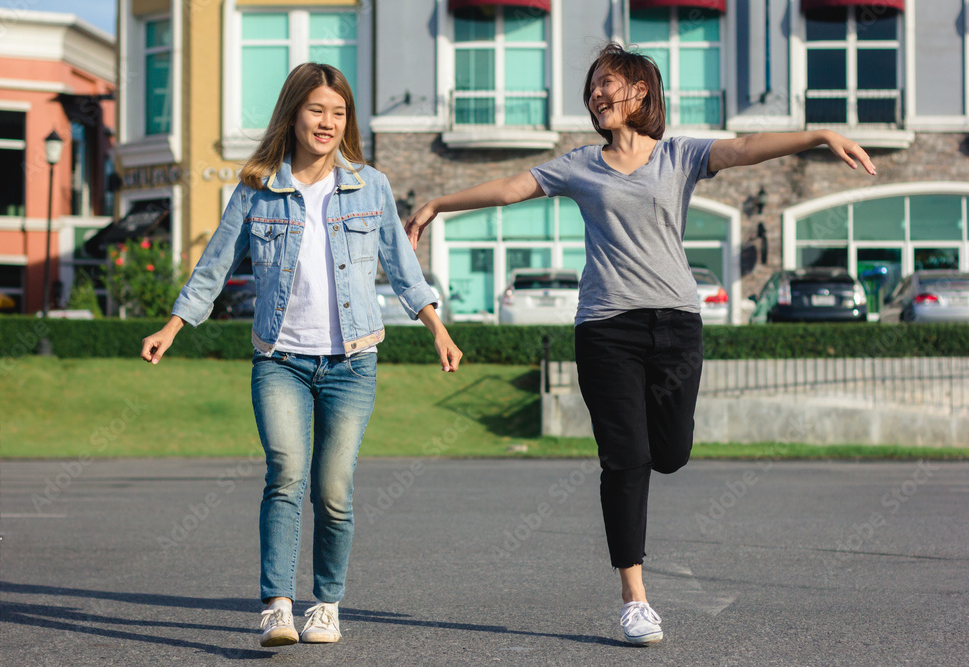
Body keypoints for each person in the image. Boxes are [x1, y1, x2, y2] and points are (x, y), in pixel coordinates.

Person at [405, 43, 875, 646]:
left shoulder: (679, 157)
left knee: (671, 453)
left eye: (608, 84)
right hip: (606, 328)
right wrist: (439, 203)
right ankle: (635, 598)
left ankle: (647, 463)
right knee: (624, 459)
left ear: (641, 92)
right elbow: (509, 188)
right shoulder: (580, 165)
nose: (597, 94)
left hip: (677, 323)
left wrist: (818, 135)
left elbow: (745, 148)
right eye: (593, 86)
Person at [140, 62, 462, 648]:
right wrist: (173, 326)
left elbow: (401, 264)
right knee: (285, 475)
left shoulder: (371, 185)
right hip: (279, 359)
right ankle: (277, 606)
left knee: (333, 491)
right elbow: (215, 264)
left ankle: (327, 604)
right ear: (293, 112)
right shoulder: (257, 187)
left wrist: (436, 327)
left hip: (352, 362)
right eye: (317, 109)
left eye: (338, 113)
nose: (328, 122)